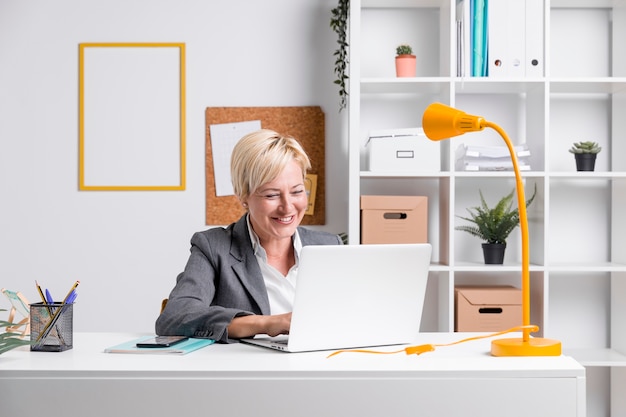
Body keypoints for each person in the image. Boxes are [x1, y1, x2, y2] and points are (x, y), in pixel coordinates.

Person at [155, 129, 342, 343]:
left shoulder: (328, 246)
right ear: (243, 196)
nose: (287, 207)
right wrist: (268, 324)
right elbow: (175, 317)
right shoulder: (214, 247)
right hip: (247, 372)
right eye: (271, 195)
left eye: (297, 191)